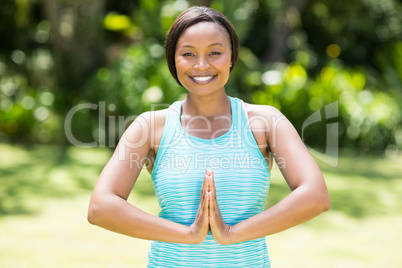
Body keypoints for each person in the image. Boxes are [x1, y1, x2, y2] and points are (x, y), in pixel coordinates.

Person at [88, 6, 330, 267]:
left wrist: (230, 234)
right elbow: (100, 207)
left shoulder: (264, 123)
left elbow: (315, 195)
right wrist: (189, 234)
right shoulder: (150, 127)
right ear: (173, 60)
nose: (201, 65)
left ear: (231, 57)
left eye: (214, 52)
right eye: (188, 54)